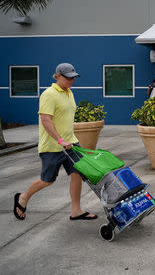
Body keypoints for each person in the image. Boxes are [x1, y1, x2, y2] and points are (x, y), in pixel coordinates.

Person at [13, 63, 97, 221]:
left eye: (73, 78)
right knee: (47, 180)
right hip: (52, 146)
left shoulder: (69, 93)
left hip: (71, 144)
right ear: (57, 76)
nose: (72, 81)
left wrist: (69, 139)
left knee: (78, 173)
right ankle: (23, 198)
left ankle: (76, 210)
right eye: (68, 78)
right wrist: (60, 140)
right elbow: (46, 120)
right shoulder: (49, 94)